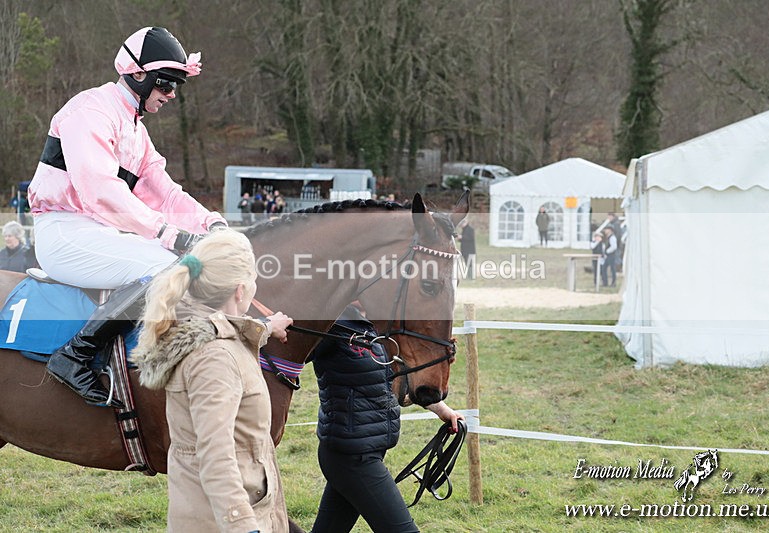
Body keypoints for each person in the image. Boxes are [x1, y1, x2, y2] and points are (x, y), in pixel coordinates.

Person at [27, 27, 227, 407]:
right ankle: (75, 356)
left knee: (184, 262)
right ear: (138, 75)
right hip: (62, 230)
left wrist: (211, 224)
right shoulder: (90, 111)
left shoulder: (136, 131)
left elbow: (165, 193)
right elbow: (100, 191)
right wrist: (170, 235)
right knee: (170, 267)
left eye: (176, 87)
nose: (170, 95)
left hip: (98, 231)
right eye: (166, 84)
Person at [131, 229, 293, 533]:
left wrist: (267, 327)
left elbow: (227, 329)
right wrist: (244, 527)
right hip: (224, 522)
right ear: (240, 291)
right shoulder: (215, 359)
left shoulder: (209, 339)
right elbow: (215, 453)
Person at [309, 303, 464, 533]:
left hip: (367, 450)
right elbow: (289, 353)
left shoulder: (380, 327)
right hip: (350, 456)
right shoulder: (330, 325)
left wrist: (441, 409)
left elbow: (397, 381)